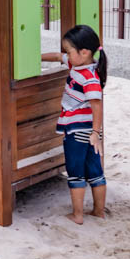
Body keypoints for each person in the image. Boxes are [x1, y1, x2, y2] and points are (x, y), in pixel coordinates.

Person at [41, 25, 107, 225]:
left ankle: (77, 215)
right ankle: (98, 212)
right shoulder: (78, 65)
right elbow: (56, 56)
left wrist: (95, 132)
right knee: (95, 171)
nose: (66, 55)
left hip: (79, 131)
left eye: (69, 51)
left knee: (75, 171)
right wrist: (36, 56)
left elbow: (97, 106)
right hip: (89, 132)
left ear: (84, 52)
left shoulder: (89, 78)